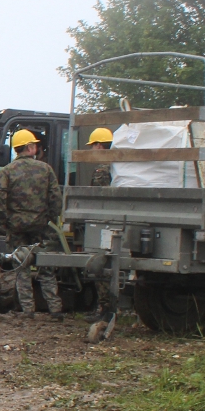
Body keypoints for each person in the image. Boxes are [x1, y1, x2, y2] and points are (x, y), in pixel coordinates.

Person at [0, 130, 64, 318]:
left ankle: (27, 310)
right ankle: (55, 309)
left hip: (16, 227)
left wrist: (5, 221)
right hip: (41, 226)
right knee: (46, 267)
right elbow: (56, 198)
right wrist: (50, 219)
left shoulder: (7, 171)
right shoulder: (46, 169)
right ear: (30, 147)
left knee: (21, 267)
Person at [85, 126, 116, 338]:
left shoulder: (102, 171)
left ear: (99, 145)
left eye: (93, 146)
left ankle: (105, 310)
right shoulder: (119, 166)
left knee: (101, 266)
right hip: (117, 221)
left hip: (105, 223)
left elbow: (98, 199)